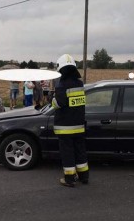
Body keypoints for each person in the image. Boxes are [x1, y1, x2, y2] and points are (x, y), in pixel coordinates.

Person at [52, 54, 88, 187]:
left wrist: (52, 98)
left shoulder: (62, 85)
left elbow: (58, 104)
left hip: (65, 127)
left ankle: (69, 179)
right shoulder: (79, 83)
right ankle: (84, 176)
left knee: (68, 153)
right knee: (80, 152)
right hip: (79, 125)